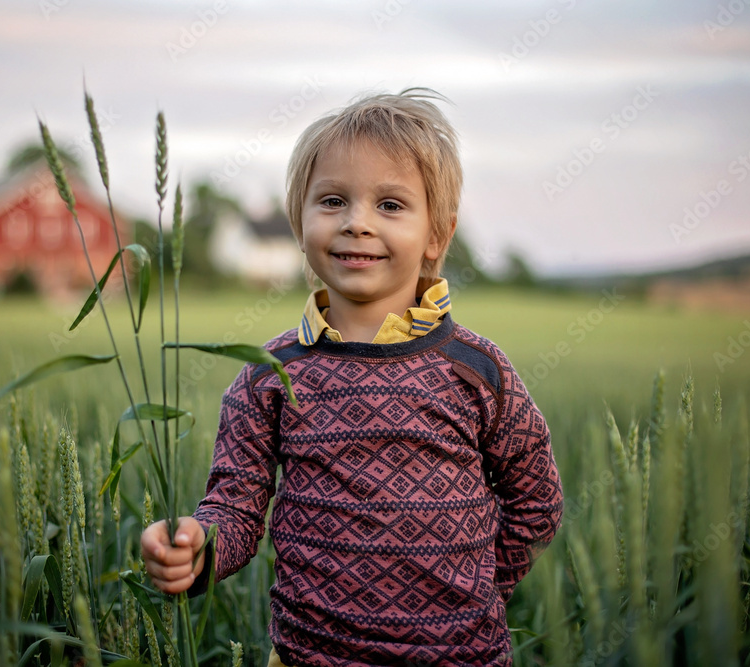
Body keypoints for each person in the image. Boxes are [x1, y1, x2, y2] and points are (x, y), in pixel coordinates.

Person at [141, 88, 564, 667]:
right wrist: (198, 546)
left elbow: (536, 499)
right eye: (333, 200)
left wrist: (482, 586)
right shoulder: (270, 376)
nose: (357, 223)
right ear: (300, 222)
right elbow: (236, 510)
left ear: (437, 234)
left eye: (390, 205)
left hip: (462, 656)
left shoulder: (477, 368)